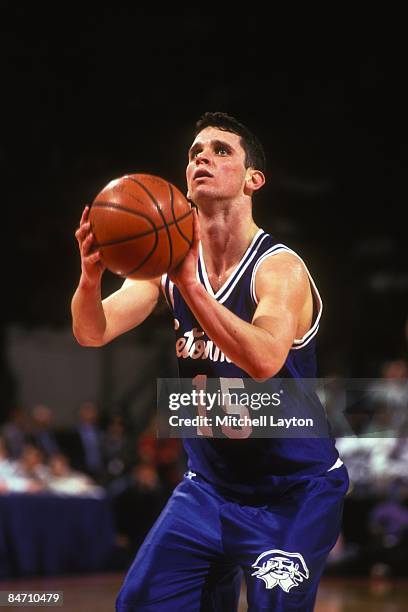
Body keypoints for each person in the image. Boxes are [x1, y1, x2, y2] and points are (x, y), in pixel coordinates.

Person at [72, 112, 349, 611]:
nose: (203, 156)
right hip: (210, 490)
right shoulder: (167, 267)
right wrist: (91, 278)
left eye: (221, 151)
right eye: (196, 151)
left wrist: (190, 286)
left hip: (291, 494)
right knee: (136, 604)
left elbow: (264, 358)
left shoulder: (279, 268)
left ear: (252, 179)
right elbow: (92, 331)